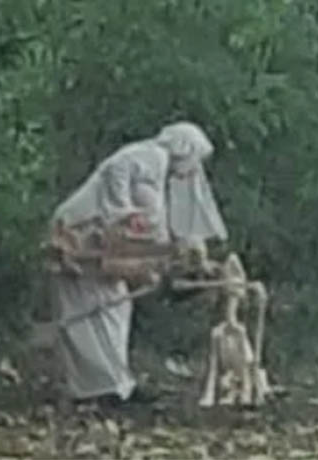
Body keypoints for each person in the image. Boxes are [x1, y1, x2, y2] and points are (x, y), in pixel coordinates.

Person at [48, 121, 229, 404]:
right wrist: (121, 212)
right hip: (82, 235)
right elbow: (118, 174)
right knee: (95, 309)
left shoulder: (156, 167)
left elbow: (151, 225)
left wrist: (165, 253)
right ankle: (99, 389)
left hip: (99, 238)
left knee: (117, 305)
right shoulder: (150, 157)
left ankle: (117, 384)